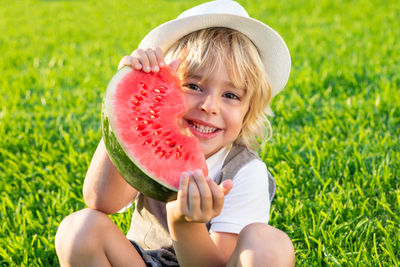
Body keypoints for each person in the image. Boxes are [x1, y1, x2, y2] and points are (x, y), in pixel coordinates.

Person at [55, 0, 295, 266]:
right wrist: (126, 108)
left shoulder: (244, 173)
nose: (209, 106)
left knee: (269, 243)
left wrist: (185, 224)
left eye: (230, 95)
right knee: (79, 228)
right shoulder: (150, 146)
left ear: (249, 110)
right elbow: (101, 202)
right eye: (193, 85)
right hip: (142, 260)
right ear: (164, 90)